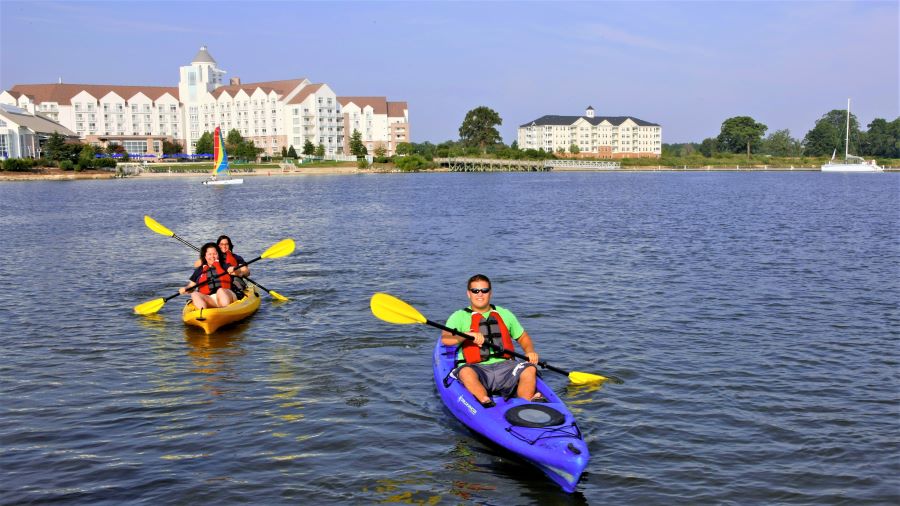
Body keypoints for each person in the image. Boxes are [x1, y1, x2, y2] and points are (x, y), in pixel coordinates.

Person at [441, 274, 542, 407]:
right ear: (468, 294)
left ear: (490, 293)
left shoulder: (504, 314)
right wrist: (464, 335)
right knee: (465, 372)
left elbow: (523, 337)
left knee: (529, 369)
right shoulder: (459, 316)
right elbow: (446, 339)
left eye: (484, 290)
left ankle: (527, 403)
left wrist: (529, 351)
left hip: (506, 367)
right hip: (476, 368)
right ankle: (485, 402)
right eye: (475, 291)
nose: (480, 294)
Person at [179, 242, 237, 309]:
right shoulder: (199, 270)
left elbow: (233, 270)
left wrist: (233, 269)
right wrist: (186, 289)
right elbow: (191, 286)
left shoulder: (224, 265)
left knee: (221, 291)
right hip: (210, 299)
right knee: (194, 294)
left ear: (218, 255)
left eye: (215, 254)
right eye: (209, 254)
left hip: (227, 295)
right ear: (205, 256)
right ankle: (202, 313)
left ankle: (225, 311)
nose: (212, 256)